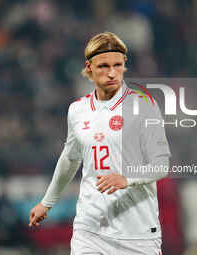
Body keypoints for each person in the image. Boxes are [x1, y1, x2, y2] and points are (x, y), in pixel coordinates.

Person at [29, 32, 171, 255]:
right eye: (104, 65)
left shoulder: (143, 105)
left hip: (137, 233)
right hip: (90, 227)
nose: (112, 72)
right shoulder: (77, 110)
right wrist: (47, 203)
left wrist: (127, 179)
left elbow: (162, 165)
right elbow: (70, 158)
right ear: (89, 67)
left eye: (118, 65)